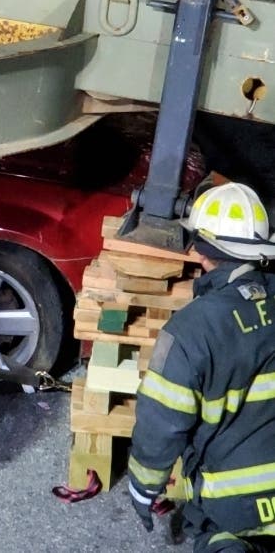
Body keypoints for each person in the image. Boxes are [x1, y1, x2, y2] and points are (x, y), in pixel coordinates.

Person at [129, 181, 275, 552]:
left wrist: (143, 488)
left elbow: (160, 422)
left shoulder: (189, 332)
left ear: (201, 252)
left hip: (233, 508)